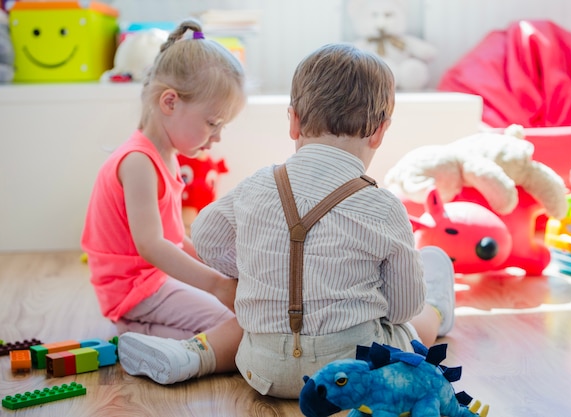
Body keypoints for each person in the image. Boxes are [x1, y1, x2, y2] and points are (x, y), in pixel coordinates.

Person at [116, 43, 456, 399]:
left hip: (262, 370)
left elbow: (205, 235)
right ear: (380, 132)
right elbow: (402, 307)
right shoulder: (384, 207)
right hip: (354, 372)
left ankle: (194, 356)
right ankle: (440, 308)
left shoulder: (255, 187)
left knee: (252, 326)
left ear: (293, 121)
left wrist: (259, 269)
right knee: (413, 325)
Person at [81, 18, 246, 369]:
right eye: (212, 123)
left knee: (239, 314)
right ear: (170, 102)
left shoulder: (163, 154)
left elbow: (175, 239)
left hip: (148, 282)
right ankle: (143, 333)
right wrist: (217, 286)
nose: (216, 137)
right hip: (135, 289)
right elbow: (152, 246)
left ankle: (137, 330)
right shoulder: (139, 161)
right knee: (241, 331)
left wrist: (227, 271)